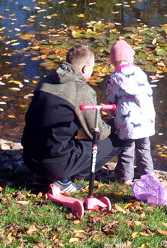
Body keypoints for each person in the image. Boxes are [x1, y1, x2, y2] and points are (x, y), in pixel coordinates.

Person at [21, 45, 120, 191]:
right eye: (92, 68)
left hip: (29, 158)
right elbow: (97, 133)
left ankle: (44, 177)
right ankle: (65, 180)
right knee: (117, 141)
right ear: (85, 68)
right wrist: (114, 124)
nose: (92, 72)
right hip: (55, 164)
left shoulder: (46, 81)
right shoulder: (82, 90)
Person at [105, 39, 155, 184]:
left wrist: (112, 108)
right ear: (130, 58)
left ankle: (125, 178)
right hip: (146, 117)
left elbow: (110, 97)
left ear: (114, 61)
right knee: (144, 147)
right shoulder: (141, 74)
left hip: (127, 121)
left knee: (127, 148)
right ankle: (147, 175)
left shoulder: (114, 78)